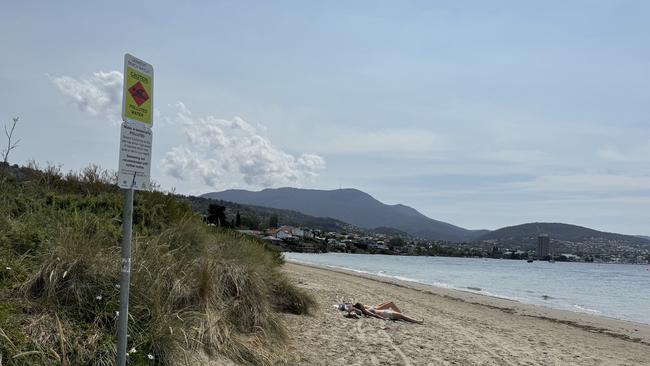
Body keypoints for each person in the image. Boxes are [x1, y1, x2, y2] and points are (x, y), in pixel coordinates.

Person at [337, 300, 423, 324]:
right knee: (401, 315)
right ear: (361, 307)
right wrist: (383, 318)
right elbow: (374, 315)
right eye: (362, 305)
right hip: (384, 313)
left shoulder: (362, 310)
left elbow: (350, 310)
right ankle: (417, 321)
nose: (363, 305)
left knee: (400, 314)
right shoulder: (365, 310)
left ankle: (414, 320)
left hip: (382, 311)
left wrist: (347, 306)